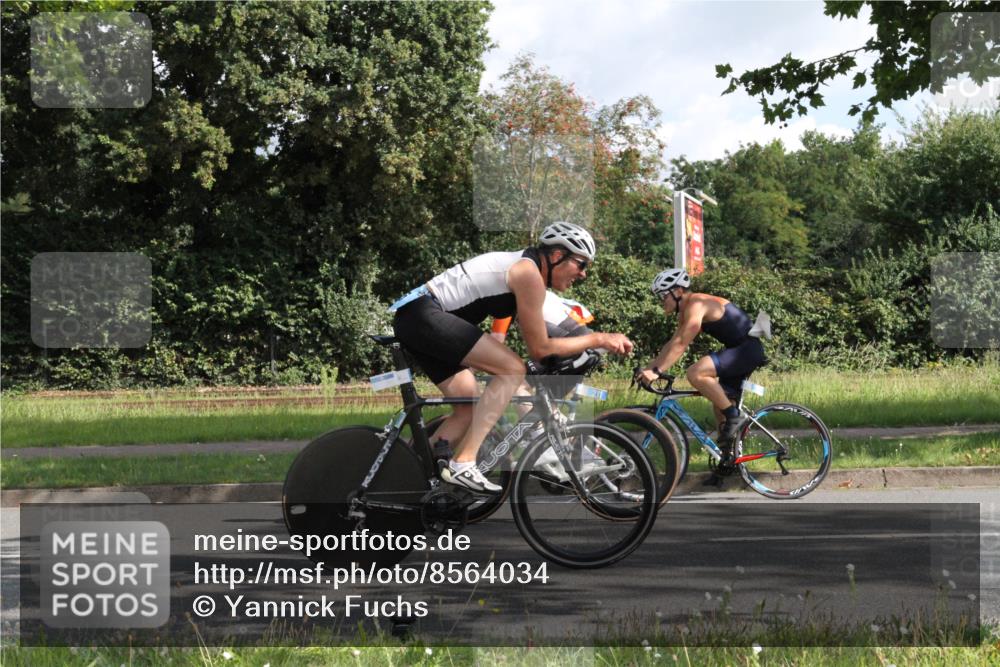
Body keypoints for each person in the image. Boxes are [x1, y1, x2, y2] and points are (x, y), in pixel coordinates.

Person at [391, 222, 633, 493]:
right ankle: (463, 462)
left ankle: (412, 478)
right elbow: (540, 349)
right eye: (581, 264)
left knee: (469, 404)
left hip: (418, 318)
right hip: (425, 315)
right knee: (512, 370)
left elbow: (540, 335)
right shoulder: (527, 274)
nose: (584, 273)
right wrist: (599, 339)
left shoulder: (526, 270)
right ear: (556, 256)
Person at [634, 268, 767, 470]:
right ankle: (728, 462)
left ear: (677, 291)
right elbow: (672, 343)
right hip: (739, 350)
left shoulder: (697, 303)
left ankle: (735, 416)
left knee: (696, 373)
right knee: (720, 404)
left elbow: (682, 344)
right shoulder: (686, 310)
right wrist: (650, 368)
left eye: (663, 296)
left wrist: (657, 371)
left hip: (746, 350)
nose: (662, 301)